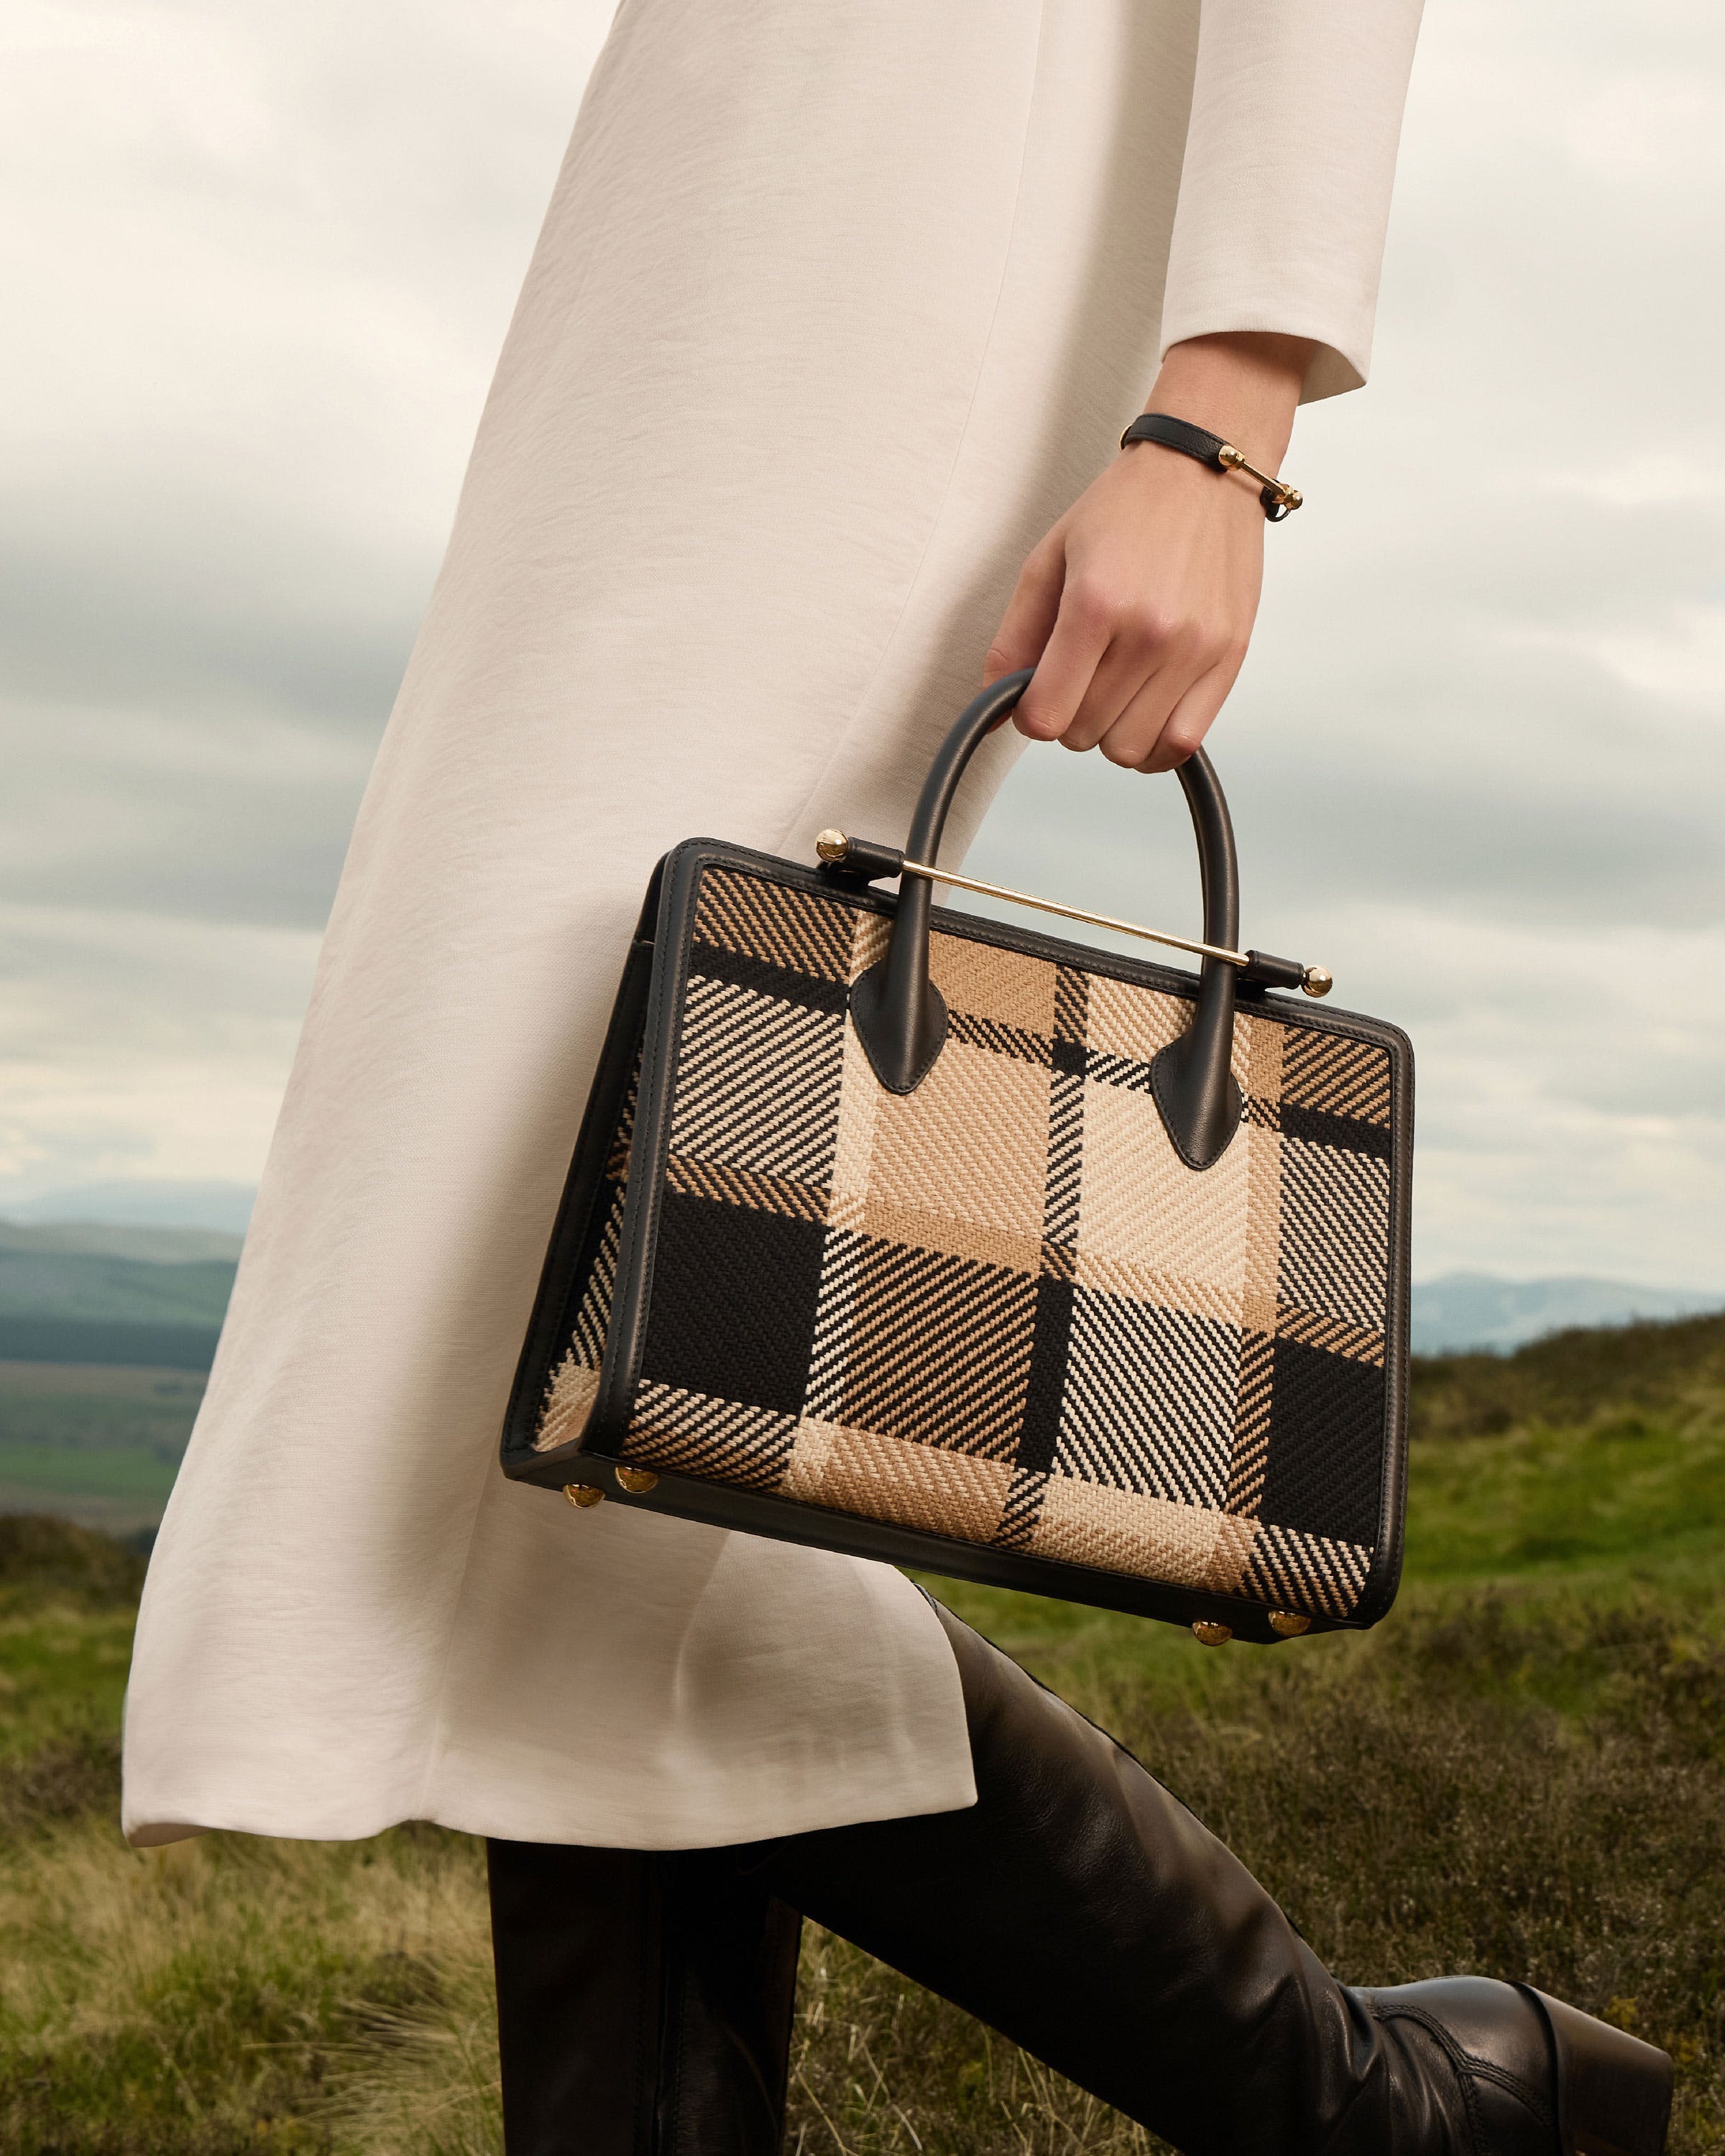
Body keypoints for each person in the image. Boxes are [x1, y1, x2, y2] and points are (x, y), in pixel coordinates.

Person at [121, 3, 1673, 2150]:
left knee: (559, 1309)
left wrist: (1225, 405)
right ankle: (1402, 2106)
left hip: (914, 236)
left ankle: (1385, 2104)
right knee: (610, 1395)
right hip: (684, 260)